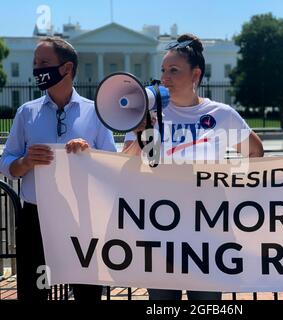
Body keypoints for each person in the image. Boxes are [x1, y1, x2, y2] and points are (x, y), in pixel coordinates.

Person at [123, 33, 264, 300]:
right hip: (160, 230)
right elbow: (125, 164)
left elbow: (255, 152)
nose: (165, 77)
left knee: (207, 303)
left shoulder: (220, 115)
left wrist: (231, 183)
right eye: (163, 70)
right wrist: (141, 132)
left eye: (174, 71)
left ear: (195, 74)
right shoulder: (146, 115)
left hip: (207, 231)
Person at [0, 37, 117, 301]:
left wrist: (90, 154)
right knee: (34, 291)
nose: (37, 70)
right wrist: (25, 162)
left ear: (66, 68)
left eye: (43, 63)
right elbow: (6, 163)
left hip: (83, 217)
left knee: (87, 293)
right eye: (35, 63)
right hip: (36, 218)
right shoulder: (26, 113)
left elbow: (113, 164)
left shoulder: (96, 113)